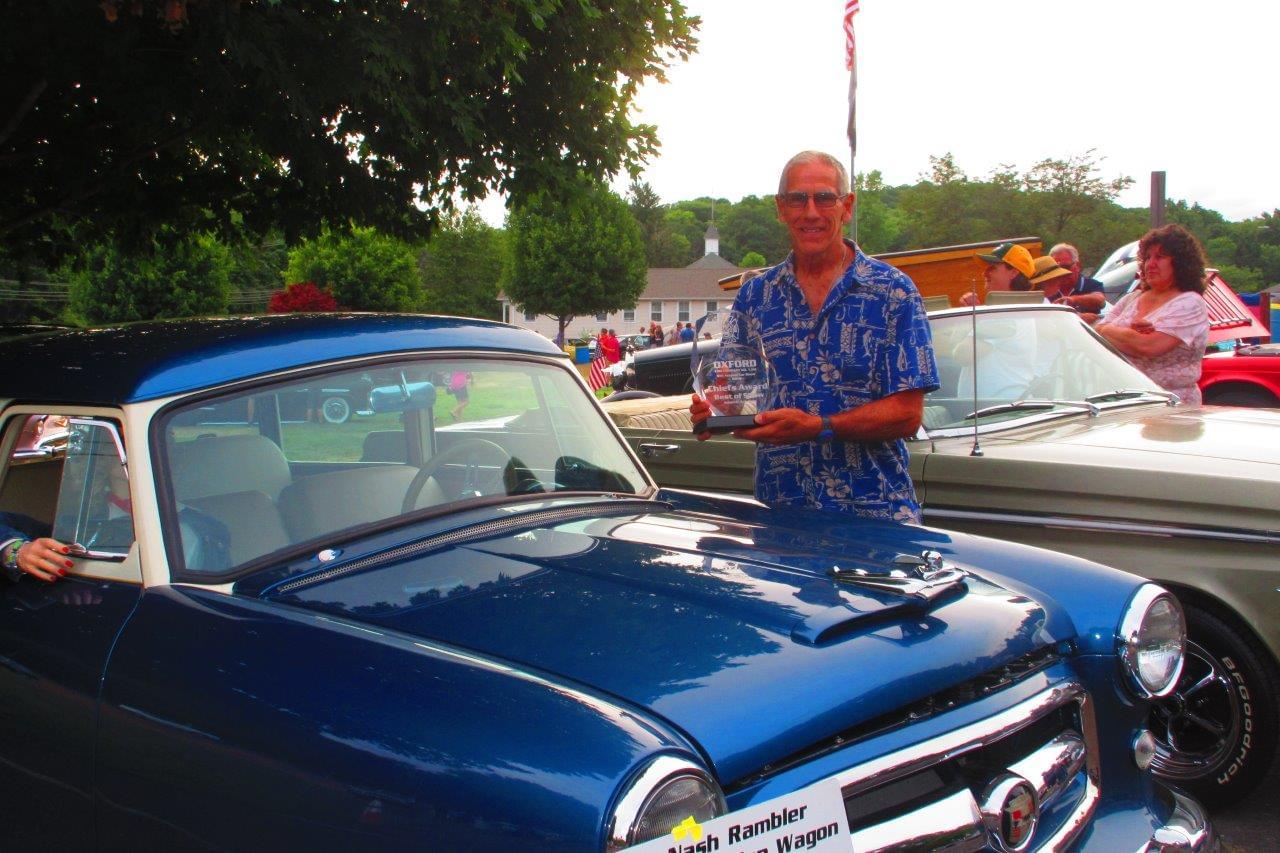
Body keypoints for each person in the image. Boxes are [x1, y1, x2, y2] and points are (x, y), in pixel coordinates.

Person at [690, 150, 938, 523]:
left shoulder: (893, 292)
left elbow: (906, 415)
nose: (810, 212)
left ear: (847, 206)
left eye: (824, 197)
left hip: (877, 517)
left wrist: (819, 427)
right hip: (781, 517)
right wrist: (712, 412)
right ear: (781, 208)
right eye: (797, 199)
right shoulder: (756, 296)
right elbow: (735, 397)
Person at [1096, 224, 1209, 405]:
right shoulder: (1132, 298)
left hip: (1171, 407)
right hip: (1125, 402)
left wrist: (1113, 331)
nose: (1151, 264)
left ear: (1181, 262)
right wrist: (1130, 334)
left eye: (1160, 257)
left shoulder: (1190, 303)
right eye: (1147, 257)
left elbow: (1148, 346)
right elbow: (1096, 332)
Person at [959, 242, 1035, 306]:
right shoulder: (1037, 310)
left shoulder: (1035, 311)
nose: (984, 274)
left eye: (992, 268)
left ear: (1013, 273)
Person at [1048, 242, 1106, 315]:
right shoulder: (1046, 288)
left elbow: (1100, 301)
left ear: (1077, 265)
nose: (1061, 272)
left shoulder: (1092, 285)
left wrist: (1073, 300)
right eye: (1056, 268)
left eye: (1065, 267)